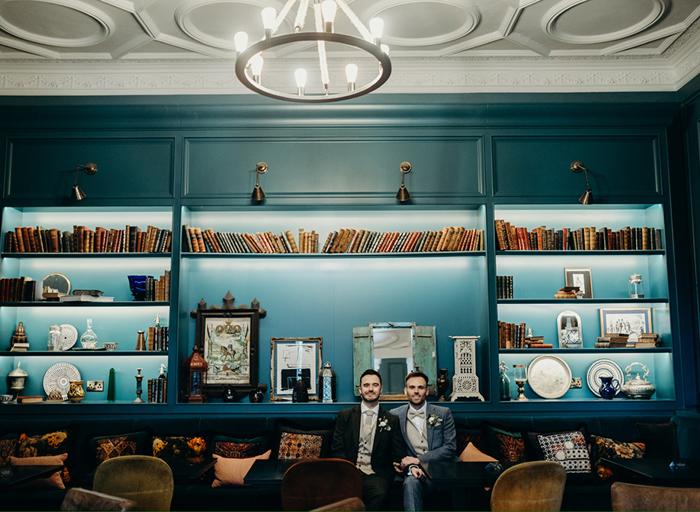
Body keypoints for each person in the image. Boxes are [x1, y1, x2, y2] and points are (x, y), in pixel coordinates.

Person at [332, 369, 407, 511]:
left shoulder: (392, 419)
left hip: (376, 473)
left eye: (375, 385)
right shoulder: (345, 415)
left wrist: (398, 463)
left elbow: (398, 451)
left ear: (381, 389)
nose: (370, 389)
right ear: (360, 390)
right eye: (366, 385)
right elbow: (337, 449)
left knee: (379, 493)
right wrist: (348, 470)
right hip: (348, 471)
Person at [393, 371, 457, 511]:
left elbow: (450, 448)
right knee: (410, 483)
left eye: (420, 388)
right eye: (412, 387)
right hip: (415, 473)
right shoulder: (395, 415)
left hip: (443, 472)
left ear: (427, 391)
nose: (416, 391)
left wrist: (418, 460)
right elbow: (395, 451)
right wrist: (411, 467)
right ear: (405, 391)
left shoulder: (443, 413)